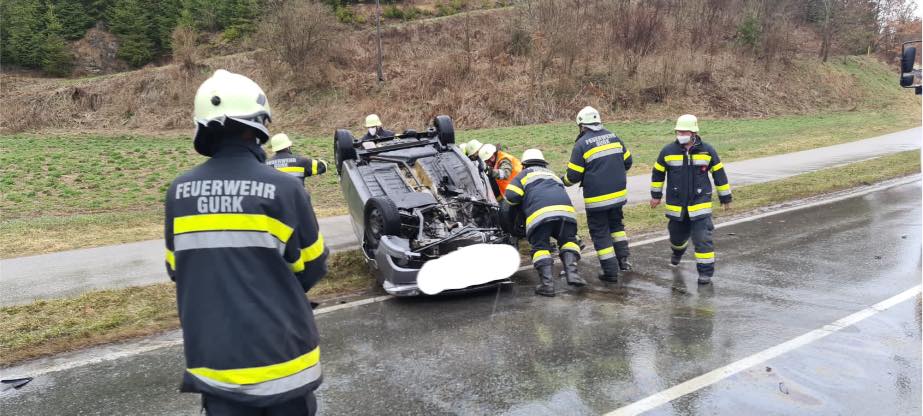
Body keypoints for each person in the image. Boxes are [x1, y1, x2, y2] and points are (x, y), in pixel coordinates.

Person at [164, 69, 327, 415]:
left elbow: (177, 268)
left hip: (217, 368)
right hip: (285, 365)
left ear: (203, 128)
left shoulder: (178, 193)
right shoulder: (285, 189)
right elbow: (313, 267)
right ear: (259, 125)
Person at [650, 114, 732, 285]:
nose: (680, 134)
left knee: (702, 239)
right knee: (677, 238)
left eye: (684, 131)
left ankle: (705, 274)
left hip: (700, 205)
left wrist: (725, 197)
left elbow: (719, 174)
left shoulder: (708, 151)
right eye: (678, 132)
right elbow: (658, 174)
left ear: (693, 132)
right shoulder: (667, 151)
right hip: (676, 206)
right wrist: (656, 196)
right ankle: (677, 253)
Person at [562, 106, 633, 283]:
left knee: (600, 232)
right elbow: (628, 162)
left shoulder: (581, 144)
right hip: (618, 196)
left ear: (581, 125)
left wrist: (561, 181)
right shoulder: (614, 136)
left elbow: (573, 176)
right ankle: (624, 262)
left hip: (597, 200)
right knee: (617, 228)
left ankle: (610, 272)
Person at [504, 149, 584, 296]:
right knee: (569, 241)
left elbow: (510, 196)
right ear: (544, 163)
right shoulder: (553, 175)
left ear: (524, 164)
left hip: (540, 215)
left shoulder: (523, 175)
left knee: (540, 247)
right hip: (566, 213)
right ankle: (572, 274)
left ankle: (547, 285)